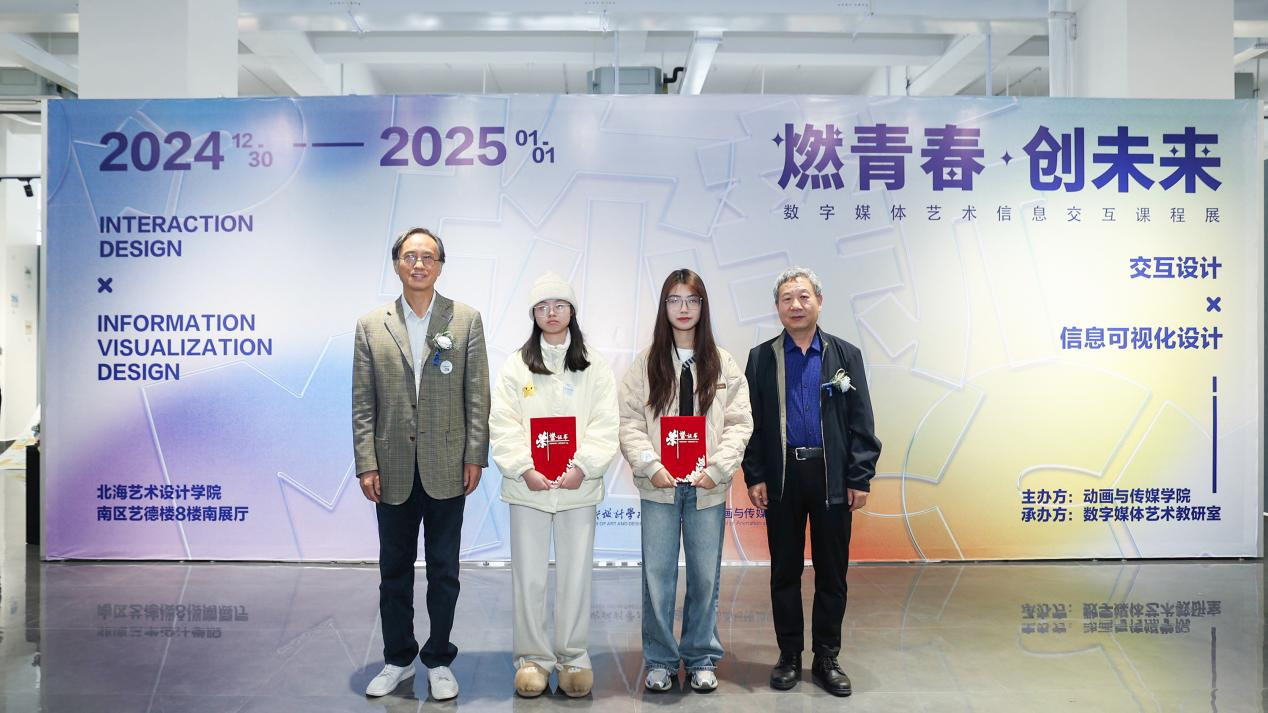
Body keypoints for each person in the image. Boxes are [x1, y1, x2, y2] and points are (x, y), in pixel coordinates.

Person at [352, 227, 490, 699]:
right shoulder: (372, 325)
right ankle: (397, 657)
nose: (419, 264)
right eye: (410, 256)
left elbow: (477, 395)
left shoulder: (465, 320)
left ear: (440, 266)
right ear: (396, 264)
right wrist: (366, 462)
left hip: (447, 464)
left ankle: (438, 658)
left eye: (428, 257)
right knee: (393, 570)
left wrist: (475, 455)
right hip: (390, 466)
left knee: (444, 570)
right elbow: (363, 402)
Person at [741, 267, 881, 698]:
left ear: (819, 301)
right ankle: (788, 655)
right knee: (784, 570)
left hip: (831, 476)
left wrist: (859, 475)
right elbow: (750, 422)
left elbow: (862, 420)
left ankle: (826, 657)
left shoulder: (846, 355)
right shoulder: (761, 357)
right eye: (787, 298)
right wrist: (755, 474)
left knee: (832, 572)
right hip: (782, 477)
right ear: (777, 307)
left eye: (803, 296)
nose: (796, 305)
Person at [618, 268, 753, 693]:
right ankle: (660, 659)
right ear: (664, 307)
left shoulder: (723, 362)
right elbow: (629, 422)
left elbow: (739, 423)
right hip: (659, 485)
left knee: (705, 576)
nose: (683, 308)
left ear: (702, 307)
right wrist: (650, 464)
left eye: (692, 300)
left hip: (706, 487)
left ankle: (700, 657)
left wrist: (716, 469)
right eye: (674, 300)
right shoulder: (647, 363)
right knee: (657, 576)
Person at [488, 273, 619, 698]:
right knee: (528, 576)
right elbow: (503, 422)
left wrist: (584, 466)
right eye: (542, 307)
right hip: (528, 488)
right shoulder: (517, 365)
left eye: (559, 305)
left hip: (578, 487)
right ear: (533, 314)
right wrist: (523, 468)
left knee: (575, 575)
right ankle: (532, 659)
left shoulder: (594, 365)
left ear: (572, 311)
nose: (551, 313)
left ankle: (573, 657)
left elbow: (605, 423)